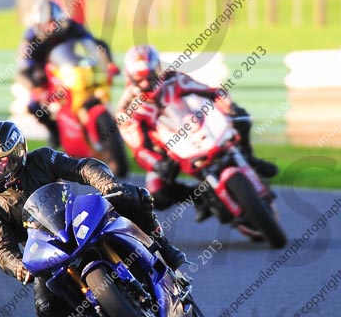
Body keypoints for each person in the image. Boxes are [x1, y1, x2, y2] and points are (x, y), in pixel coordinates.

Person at [0, 120, 186, 317]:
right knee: (47, 312)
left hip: (75, 219)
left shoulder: (43, 158)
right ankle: (98, 312)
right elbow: (1, 248)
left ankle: (162, 246)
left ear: (18, 154)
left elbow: (82, 167)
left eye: (0, 161)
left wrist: (107, 184)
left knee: (132, 196)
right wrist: (18, 266)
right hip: (44, 251)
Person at [116, 44, 278, 220]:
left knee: (241, 119)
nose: (146, 83)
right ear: (129, 76)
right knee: (158, 193)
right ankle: (200, 197)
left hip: (192, 125)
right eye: (140, 79)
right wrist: (157, 163)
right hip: (163, 150)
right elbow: (138, 149)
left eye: (150, 76)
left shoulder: (173, 79)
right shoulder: (127, 108)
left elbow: (213, 92)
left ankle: (249, 158)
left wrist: (231, 108)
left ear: (157, 69)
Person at [16, 0, 115, 149]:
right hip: (45, 74)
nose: (50, 26)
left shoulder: (71, 27)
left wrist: (107, 62)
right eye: (46, 23)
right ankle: (55, 131)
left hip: (75, 67)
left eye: (53, 22)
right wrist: (33, 81)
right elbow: (25, 62)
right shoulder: (31, 37)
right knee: (35, 106)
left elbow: (93, 43)